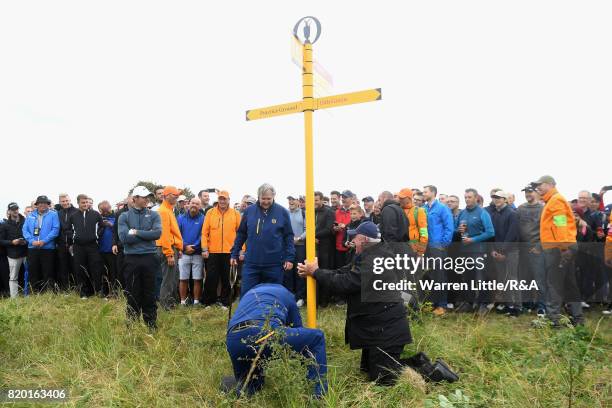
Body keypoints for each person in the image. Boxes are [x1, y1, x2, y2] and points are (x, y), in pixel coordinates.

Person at [298, 221, 412, 386]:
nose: (352, 242)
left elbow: (346, 283)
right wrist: (315, 272)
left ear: (364, 239)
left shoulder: (377, 259)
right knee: (368, 371)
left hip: (387, 332)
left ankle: (428, 370)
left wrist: (316, 272)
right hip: (378, 329)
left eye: (355, 239)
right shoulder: (369, 252)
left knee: (384, 381)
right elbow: (344, 271)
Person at [225, 283, 327, 397]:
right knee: (316, 338)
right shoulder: (287, 294)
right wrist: (303, 369)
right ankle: (318, 396)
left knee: (250, 388)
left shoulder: (248, 294)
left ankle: (238, 390)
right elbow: (301, 341)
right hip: (263, 333)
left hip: (233, 339)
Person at [533, 175, 583, 327]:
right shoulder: (553, 200)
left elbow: (560, 224)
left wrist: (563, 248)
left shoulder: (556, 200)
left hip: (560, 249)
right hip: (562, 247)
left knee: (554, 284)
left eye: (539, 185)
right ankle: (577, 318)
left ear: (549, 184)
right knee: (569, 284)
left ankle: (553, 320)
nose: (537, 188)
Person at [230, 183, 295, 297]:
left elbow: (288, 236)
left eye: (268, 198)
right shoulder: (249, 211)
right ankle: (249, 315)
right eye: (263, 198)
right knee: (247, 295)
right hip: (251, 263)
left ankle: (272, 315)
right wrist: (234, 253)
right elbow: (241, 234)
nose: (265, 201)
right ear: (258, 197)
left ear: (274, 196)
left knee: (272, 296)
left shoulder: (282, 212)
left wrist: (289, 258)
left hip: (274, 264)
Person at [118, 186, 162, 330]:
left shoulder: (154, 215)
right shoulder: (124, 216)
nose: (147, 199)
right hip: (132, 259)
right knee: (132, 293)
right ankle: (132, 325)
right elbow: (124, 238)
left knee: (149, 293)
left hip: (150, 257)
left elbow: (156, 234)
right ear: (134, 198)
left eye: (148, 197)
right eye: (143, 197)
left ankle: (151, 325)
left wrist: (135, 232)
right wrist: (145, 234)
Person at [454, 188, 495, 313]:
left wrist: (474, 240)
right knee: (467, 278)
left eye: (469, 197)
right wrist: (458, 230)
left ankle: (483, 304)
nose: (467, 199)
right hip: (465, 251)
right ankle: (469, 302)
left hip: (479, 251)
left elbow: (490, 232)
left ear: (476, 198)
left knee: (481, 278)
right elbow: (456, 229)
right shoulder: (462, 213)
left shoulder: (483, 212)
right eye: (465, 197)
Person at [202, 190, 242, 307]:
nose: (222, 201)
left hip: (230, 252)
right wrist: (204, 249)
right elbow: (204, 233)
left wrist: (241, 250)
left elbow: (241, 234)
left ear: (229, 200)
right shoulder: (210, 213)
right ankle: (209, 302)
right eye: (220, 199)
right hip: (213, 252)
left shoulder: (236, 214)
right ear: (218, 200)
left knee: (227, 278)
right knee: (211, 278)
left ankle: (225, 303)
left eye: (224, 199)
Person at [423, 185, 454, 316]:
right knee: (429, 276)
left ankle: (442, 305)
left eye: (426, 192)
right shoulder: (422, 209)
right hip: (425, 248)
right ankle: (432, 304)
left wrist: (443, 243)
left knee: (439, 276)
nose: (423, 194)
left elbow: (449, 227)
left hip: (437, 247)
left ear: (433, 193)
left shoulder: (442, 208)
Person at [489, 191, 521, 317]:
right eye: (494, 198)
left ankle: (517, 307)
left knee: (512, 279)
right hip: (497, 252)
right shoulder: (494, 214)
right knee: (503, 279)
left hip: (511, 252)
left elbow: (512, 235)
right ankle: (509, 305)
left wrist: (503, 252)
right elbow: (492, 234)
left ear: (505, 199)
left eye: (499, 198)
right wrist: (493, 250)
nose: (496, 200)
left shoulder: (512, 214)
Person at [517, 185, 545, 317]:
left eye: (530, 192)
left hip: (538, 249)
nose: (528, 194)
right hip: (523, 249)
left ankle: (542, 307)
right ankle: (527, 304)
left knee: (539, 279)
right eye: (526, 192)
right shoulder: (520, 208)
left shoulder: (543, 208)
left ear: (537, 192)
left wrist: (539, 246)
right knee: (525, 279)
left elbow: (548, 230)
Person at [69, 194, 105, 299]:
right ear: (78, 203)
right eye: (83, 203)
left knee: (96, 268)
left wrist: (97, 235)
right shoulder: (73, 216)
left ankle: (99, 291)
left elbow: (102, 226)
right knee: (80, 269)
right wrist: (74, 238)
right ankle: (84, 293)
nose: (85, 204)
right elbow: (68, 230)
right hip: (78, 246)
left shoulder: (96, 214)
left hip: (93, 246)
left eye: (87, 202)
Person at [22, 196, 60, 293]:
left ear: (48, 204)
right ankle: (34, 293)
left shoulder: (54, 214)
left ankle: (48, 293)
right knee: (33, 271)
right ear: (37, 204)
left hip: (47, 248)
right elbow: (25, 230)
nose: (42, 205)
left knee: (48, 271)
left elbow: (55, 230)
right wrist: (32, 241)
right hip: (32, 248)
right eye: (40, 203)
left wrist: (44, 241)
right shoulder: (30, 215)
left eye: (45, 203)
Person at [156, 186, 183, 309]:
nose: (177, 197)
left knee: (173, 278)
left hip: (173, 247)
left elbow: (172, 232)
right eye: (174, 195)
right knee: (168, 280)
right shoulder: (163, 211)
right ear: (166, 196)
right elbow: (164, 234)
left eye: (178, 195)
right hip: (168, 248)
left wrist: (179, 248)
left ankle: (170, 304)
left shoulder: (169, 210)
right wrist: (169, 253)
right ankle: (165, 306)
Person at [178, 198, 204, 306]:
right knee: (183, 278)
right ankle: (183, 301)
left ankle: (196, 302)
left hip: (197, 253)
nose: (194, 205)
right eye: (192, 203)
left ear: (200, 206)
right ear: (188, 204)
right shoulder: (180, 218)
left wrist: (195, 247)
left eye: (197, 204)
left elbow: (204, 235)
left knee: (197, 279)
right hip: (183, 253)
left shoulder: (204, 219)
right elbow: (177, 234)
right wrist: (184, 247)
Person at [0, 203, 27, 297]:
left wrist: (26, 241)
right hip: (13, 255)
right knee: (13, 277)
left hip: (26, 252)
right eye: (13, 209)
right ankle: (14, 298)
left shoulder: (25, 221)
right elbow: (1, 241)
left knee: (29, 274)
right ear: (9, 211)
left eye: (16, 209)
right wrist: (12, 242)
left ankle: (28, 294)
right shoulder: (4, 225)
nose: (15, 211)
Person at [285, 195, 306, 304]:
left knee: (299, 270)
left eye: (293, 199)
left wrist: (299, 238)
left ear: (298, 201)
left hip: (300, 245)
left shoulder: (303, 213)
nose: (291, 201)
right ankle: (289, 295)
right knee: (288, 270)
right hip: (287, 246)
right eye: (289, 200)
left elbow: (307, 229)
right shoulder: (285, 213)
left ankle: (300, 297)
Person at [56, 193, 79, 290]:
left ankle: (78, 287)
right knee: (63, 267)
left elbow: (78, 228)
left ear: (70, 200)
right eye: (63, 201)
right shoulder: (58, 213)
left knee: (75, 266)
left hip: (74, 244)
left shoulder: (77, 212)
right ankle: (65, 289)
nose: (65, 203)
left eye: (67, 201)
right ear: (60, 202)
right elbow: (56, 228)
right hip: (61, 244)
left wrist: (72, 239)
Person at [398, 188, 428, 256]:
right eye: (399, 197)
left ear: (409, 198)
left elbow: (424, 233)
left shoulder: (419, 211)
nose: (400, 199)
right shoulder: (398, 210)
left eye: (402, 198)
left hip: (413, 250)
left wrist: (420, 252)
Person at [98, 200, 118, 296]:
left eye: (107, 209)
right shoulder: (99, 218)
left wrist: (111, 225)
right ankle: (104, 290)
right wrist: (102, 225)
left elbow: (118, 230)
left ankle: (114, 291)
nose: (105, 212)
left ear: (110, 208)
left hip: (112, 250)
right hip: (101, 249)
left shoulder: (116, 217)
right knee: (103, 271)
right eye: (103, 210)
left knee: (113, 272)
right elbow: (95, 233)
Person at [333, 190, 354, 268]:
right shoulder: (337, 212)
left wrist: (345, 227)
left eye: (346, 197)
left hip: (351, 248)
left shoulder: (356, 211)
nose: (343, 199)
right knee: (339, 271)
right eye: (342, 197)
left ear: (352, 198)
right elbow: (332, 228)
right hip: (338, 247)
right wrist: (334, 228)